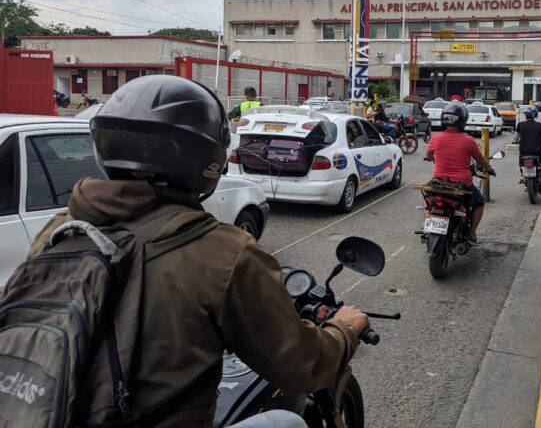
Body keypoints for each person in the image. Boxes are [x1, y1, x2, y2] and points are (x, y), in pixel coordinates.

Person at [28, 75, 369, 427]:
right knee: (289, 422)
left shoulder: (61, 229)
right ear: (206, 158)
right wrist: (343, 330)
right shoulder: (224, 252)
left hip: (43, 412)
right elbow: (299, 366)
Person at [425, 102, 494, 241]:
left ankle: (428, 227)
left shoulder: (435, 137)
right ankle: (472, 232)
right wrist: (489, 169)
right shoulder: (468, 140)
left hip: (438, 182)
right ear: (463, 120)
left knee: (427, 202)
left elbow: (428, 155)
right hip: (462, 184)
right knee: (479, 202)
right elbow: (480, 160)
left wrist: (431, 158)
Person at [515, 107, 541, 180]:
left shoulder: (520, 125)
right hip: (537, 153)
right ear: (535, 115)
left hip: (524, 153)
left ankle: (522, 174)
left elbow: (515, 138)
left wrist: (517, 140)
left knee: (521, 158)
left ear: (526, 115)